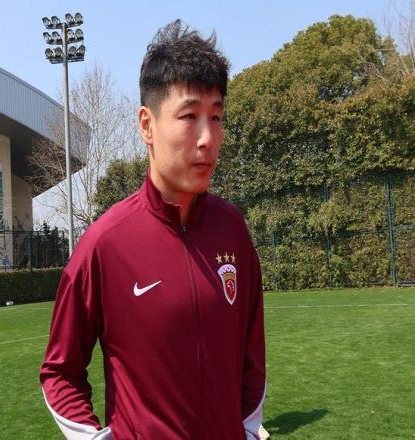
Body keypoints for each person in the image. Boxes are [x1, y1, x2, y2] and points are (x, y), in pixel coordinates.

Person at [40, 19, 266, 440]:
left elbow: (252, 353)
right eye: (189, 116)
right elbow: (60, 372)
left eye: (216, 117)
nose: (208, 138)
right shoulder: (106, 243)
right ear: (147, 124)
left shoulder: (232, 229)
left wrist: (248, 430)